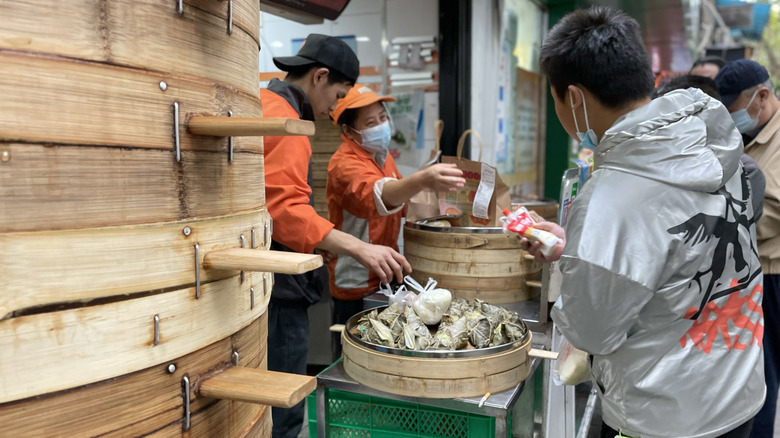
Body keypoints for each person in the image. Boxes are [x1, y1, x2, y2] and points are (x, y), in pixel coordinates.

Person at [529, 6, 765, 437]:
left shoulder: (609, 199)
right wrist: (580, 247)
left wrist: (578, 259)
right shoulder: (712, 144)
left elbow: (591, 331)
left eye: (556, 97)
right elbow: (676, 258)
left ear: (575, 98)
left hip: (666, 417)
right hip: (738, 389)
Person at [260, 34, 412, 438]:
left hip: (269, 275)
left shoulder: (265, 104)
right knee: (284, 401)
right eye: (338, 95)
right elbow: (285, 211)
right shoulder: (287, 122)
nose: (332, 109)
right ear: (320, 76)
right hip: (277, 282)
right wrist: (357, 247)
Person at [325, 85, 465, 359]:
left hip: (386, 273)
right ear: (349, 132)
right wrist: (423, 178)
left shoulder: (382, 157)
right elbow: (380, 194)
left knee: (385, 350)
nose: (381, 125)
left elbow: (400, 203)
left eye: (382, 117)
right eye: (370, 122)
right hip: (355, 278)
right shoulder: (344, 164)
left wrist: (439, 214)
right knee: (356, 356)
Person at [716, 59, 780, 438]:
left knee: (763, 376)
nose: (733, 119)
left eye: (735, 110)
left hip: (774, 276)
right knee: (757, 375)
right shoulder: (751, 138)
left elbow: (769, 209)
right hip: (753, 272)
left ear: (763, 96)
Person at [654, 74, 766, 220]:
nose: (659, 128)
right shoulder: (658, 163)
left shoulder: (746, 173)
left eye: (669, 119)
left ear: (707, 117)